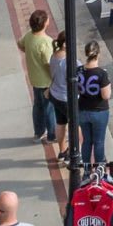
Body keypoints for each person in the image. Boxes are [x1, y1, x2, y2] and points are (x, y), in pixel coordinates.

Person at [16, 10, 55, 145]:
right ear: (44, 24)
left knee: (38, 106)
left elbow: (20, 44)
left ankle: (38, 132)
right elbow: (49, 63)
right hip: (47, 82)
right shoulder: (46, 42)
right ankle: (52, 134)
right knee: (49, 109)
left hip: (34, 79)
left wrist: (29, 52)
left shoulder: (29, 36)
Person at [73, 40, 111, 168]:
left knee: (86, 141)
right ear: (98, 54)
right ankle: (99, 171)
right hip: (99, 111)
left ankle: (87, 170)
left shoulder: (78, 71)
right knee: (99, 142)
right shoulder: (102, 73)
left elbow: (76, 88)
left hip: (83, 110)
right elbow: (106, 95)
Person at [47, 34, 71, 162]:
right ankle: (74, 153)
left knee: (61, 123)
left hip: (55, 94)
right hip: (66, 98)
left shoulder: (54, 56)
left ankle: (62, 151)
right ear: (65, 44)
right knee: (75, 126)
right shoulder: (69, 61)